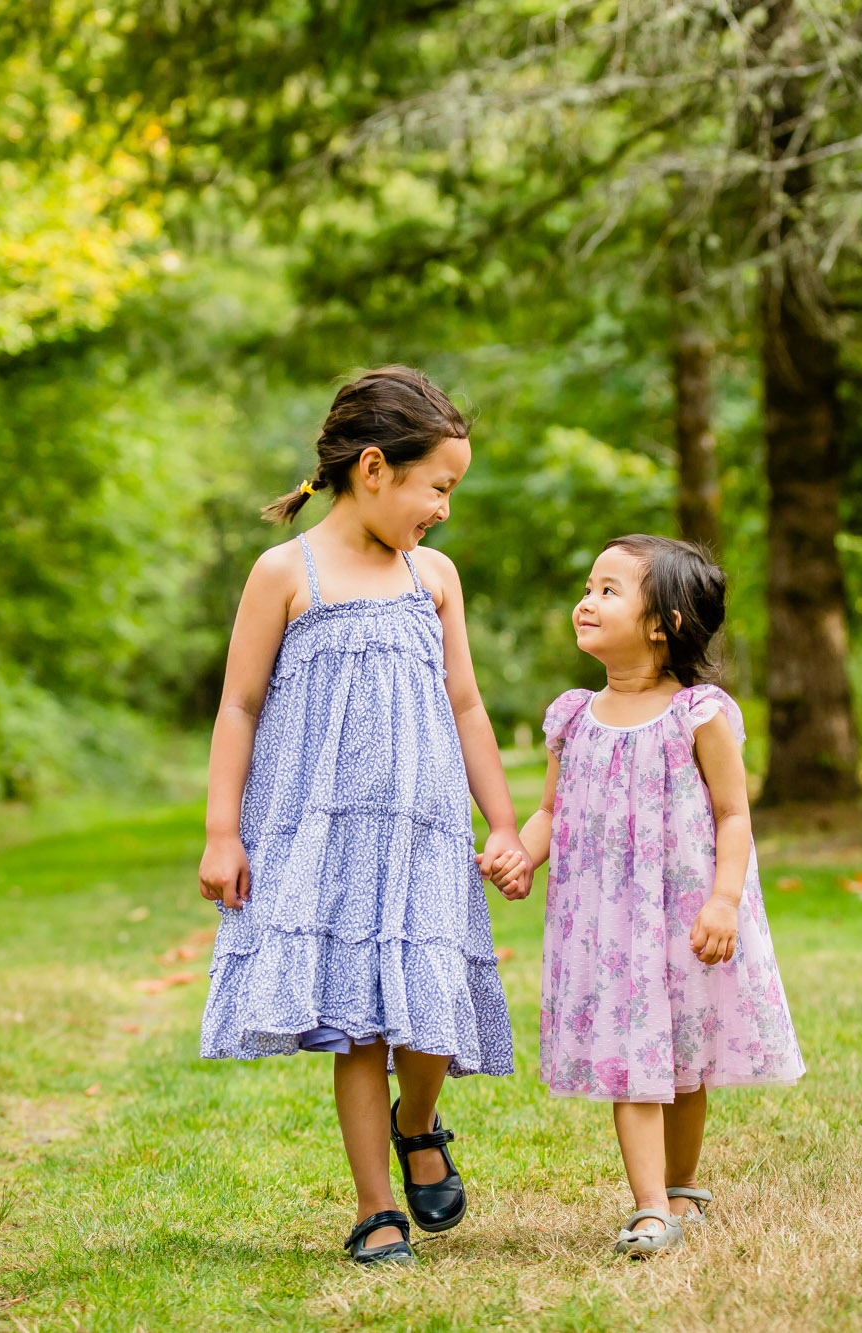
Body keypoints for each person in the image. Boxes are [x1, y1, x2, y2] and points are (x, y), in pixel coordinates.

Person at [197, 366, 530, 1267]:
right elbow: (239, 705)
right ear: (376, 468)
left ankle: (417, 1121)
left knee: (429, 1011)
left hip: (423, 829)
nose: (444, 509)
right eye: (439, 487)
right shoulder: (285, 572)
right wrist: (222, 830)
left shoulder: (435, 575)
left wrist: (501, 823)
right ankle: (375, 1207)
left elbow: (465, 703)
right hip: (331, 835)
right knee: (362, 1023)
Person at [484, 535, 806, 1257]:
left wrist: (723, 901)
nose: (587, 600)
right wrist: (522, 854)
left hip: (683, 912)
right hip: (608, 925)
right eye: (589, 585)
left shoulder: (698, 713)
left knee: (684, 1055)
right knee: (634, 1057)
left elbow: (733, 814)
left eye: (608, 590)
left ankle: (683, 1181)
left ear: (662, 624)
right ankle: (650, 1204)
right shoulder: (573, 716)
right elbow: (551, 812)